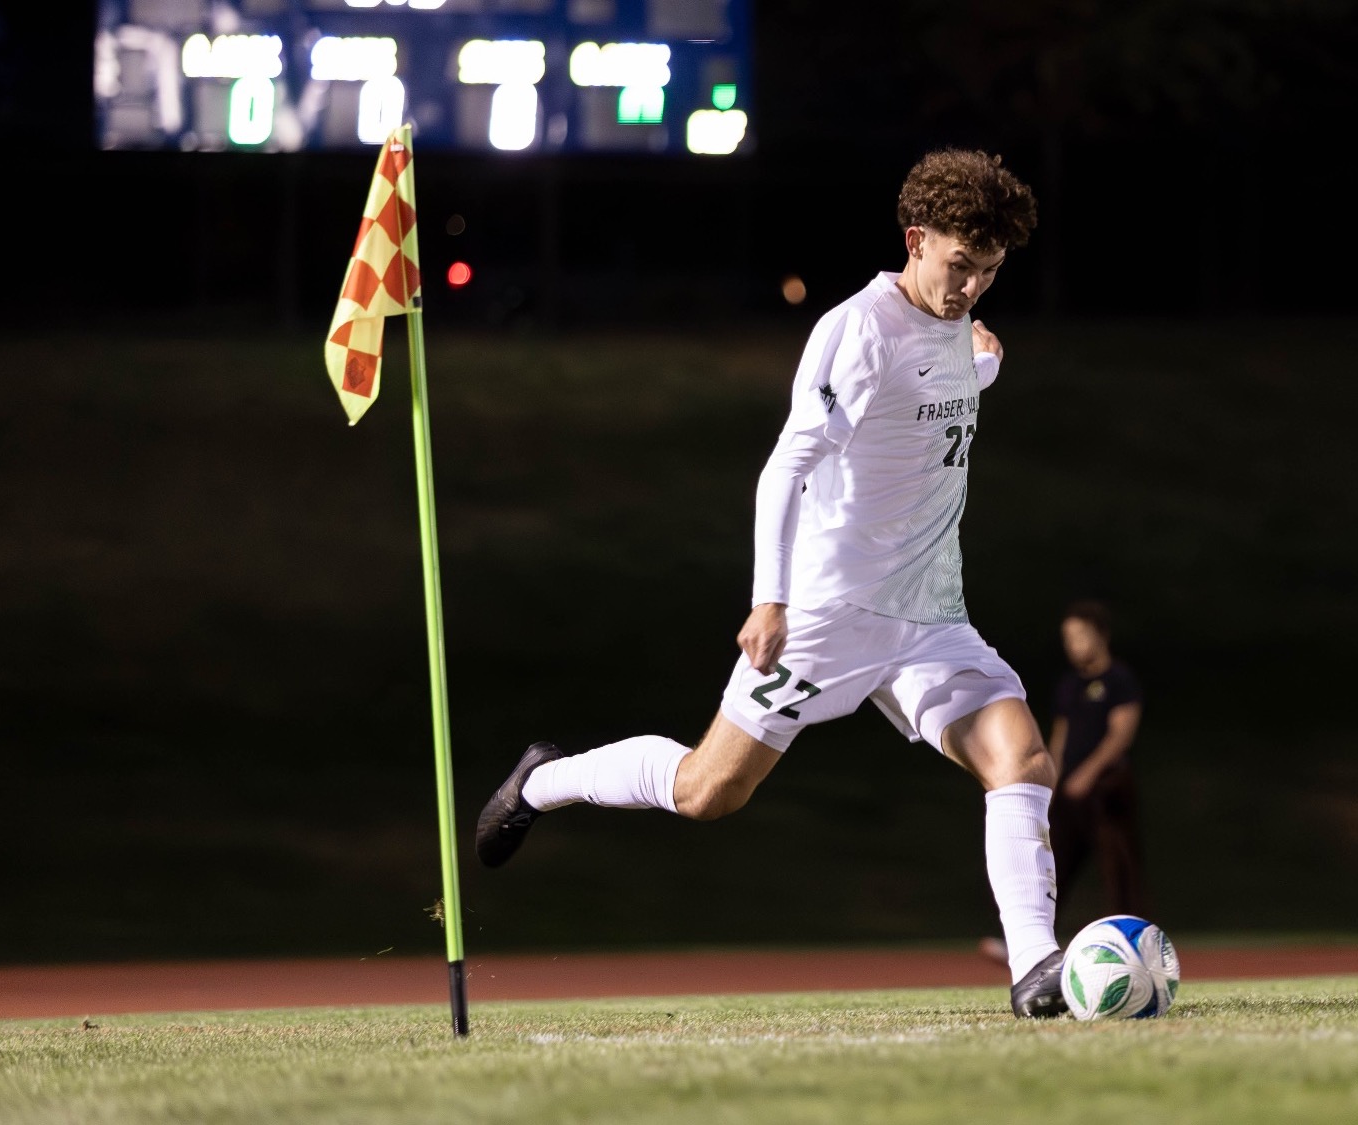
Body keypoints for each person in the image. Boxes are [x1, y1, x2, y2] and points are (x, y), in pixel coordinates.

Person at [473, 149, 1068, 1018]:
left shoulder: (957, 322)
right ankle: (540, 782)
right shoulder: (856, 328)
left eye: (988, 272)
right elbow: (787, 467)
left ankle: (1036, 972)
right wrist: (770, 597)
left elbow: (931, 397)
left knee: (1022, 760)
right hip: (827, 614)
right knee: (708, 792)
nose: (970, 287)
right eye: (958, 265)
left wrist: (983, 366)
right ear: (915, 239)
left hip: (930, 617)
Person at [1047, 600, 1149, 919]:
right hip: (1069, 793)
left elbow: (1121, 735)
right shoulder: (1069, 686)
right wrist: (1050, 783)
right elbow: (1059, 739)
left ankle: (1133, 940)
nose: (1074, 645)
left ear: (1101, 635)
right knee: (1053, 865)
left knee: (1118, 868)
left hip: (1106, 789)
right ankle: (1032, 940)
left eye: (1081, 635)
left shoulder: (1119, 680)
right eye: (1068, 638)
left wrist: (1087, 775)